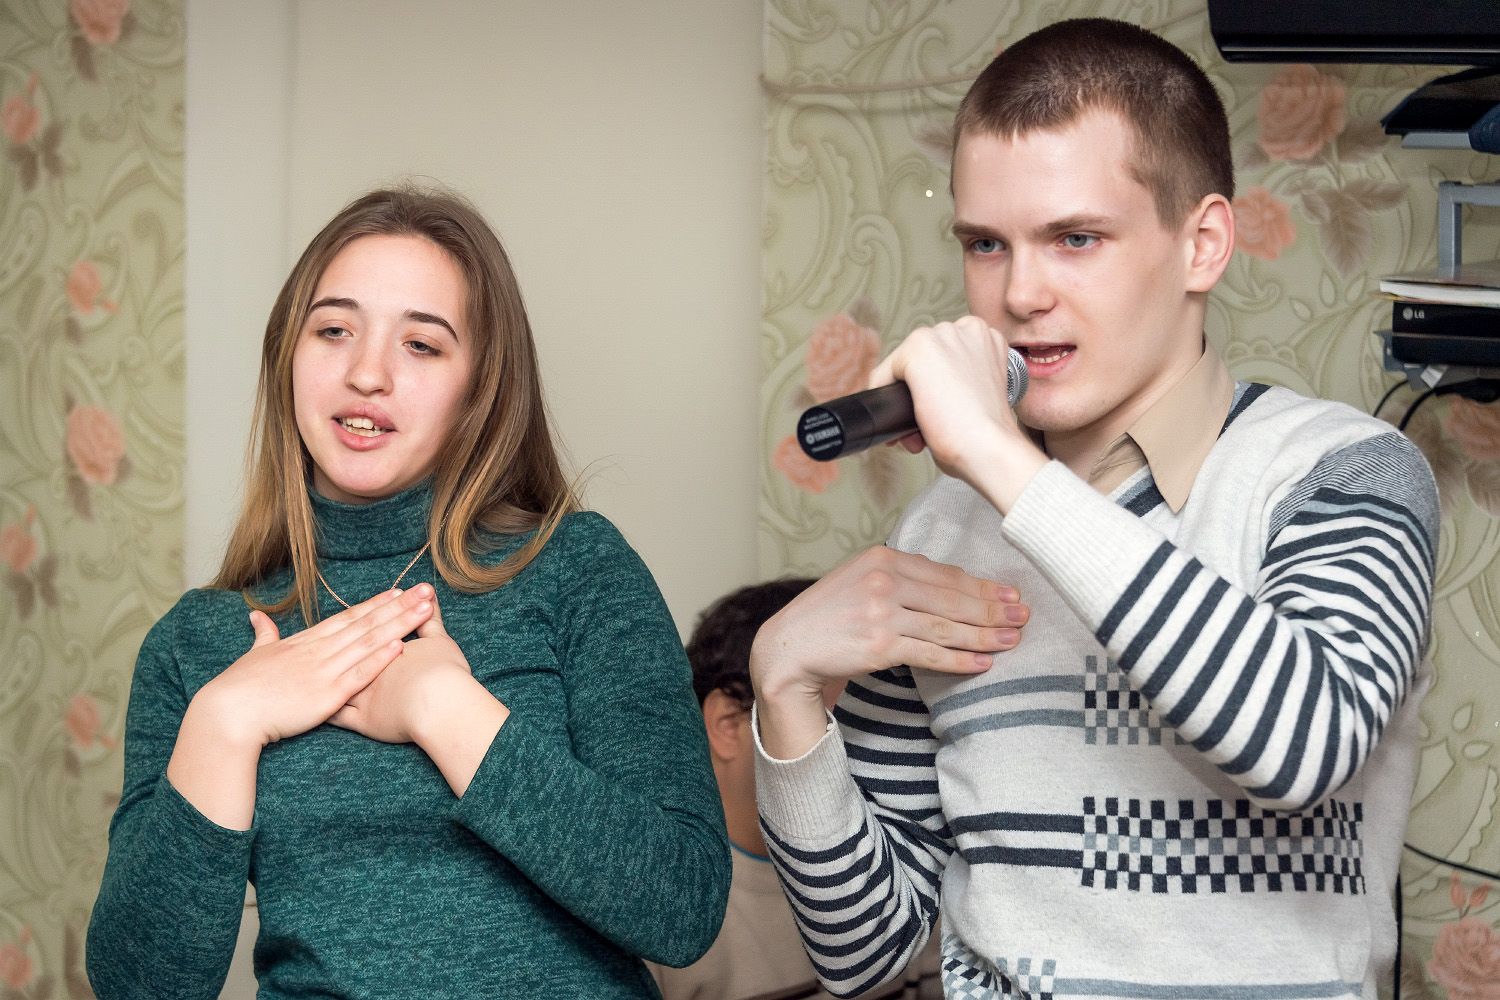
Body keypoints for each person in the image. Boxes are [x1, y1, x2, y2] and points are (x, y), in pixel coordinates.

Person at [751, 18, 1437, 1000]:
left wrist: (998, 460)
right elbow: (867, 953)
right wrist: (784, 687)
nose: (1020, 293)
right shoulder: (939, 533)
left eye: (1075, 238)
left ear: (1202, 243)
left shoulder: (1343, 468)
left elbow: (1300, 745)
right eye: (986, 245)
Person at [86, 186, 730, 998]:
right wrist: (225, 722)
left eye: (422, 345)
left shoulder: (576, 569)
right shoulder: (201, 642)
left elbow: (683, 907)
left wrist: (447, 713)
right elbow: (138, 986)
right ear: (287, 356)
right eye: (333, 330)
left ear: (481, 388)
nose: (367, 374)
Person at [649, 578, 942, 1000]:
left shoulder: (909, 868)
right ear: (728, 725)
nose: (889, 742)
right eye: (849, 710)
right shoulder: (663, 907)